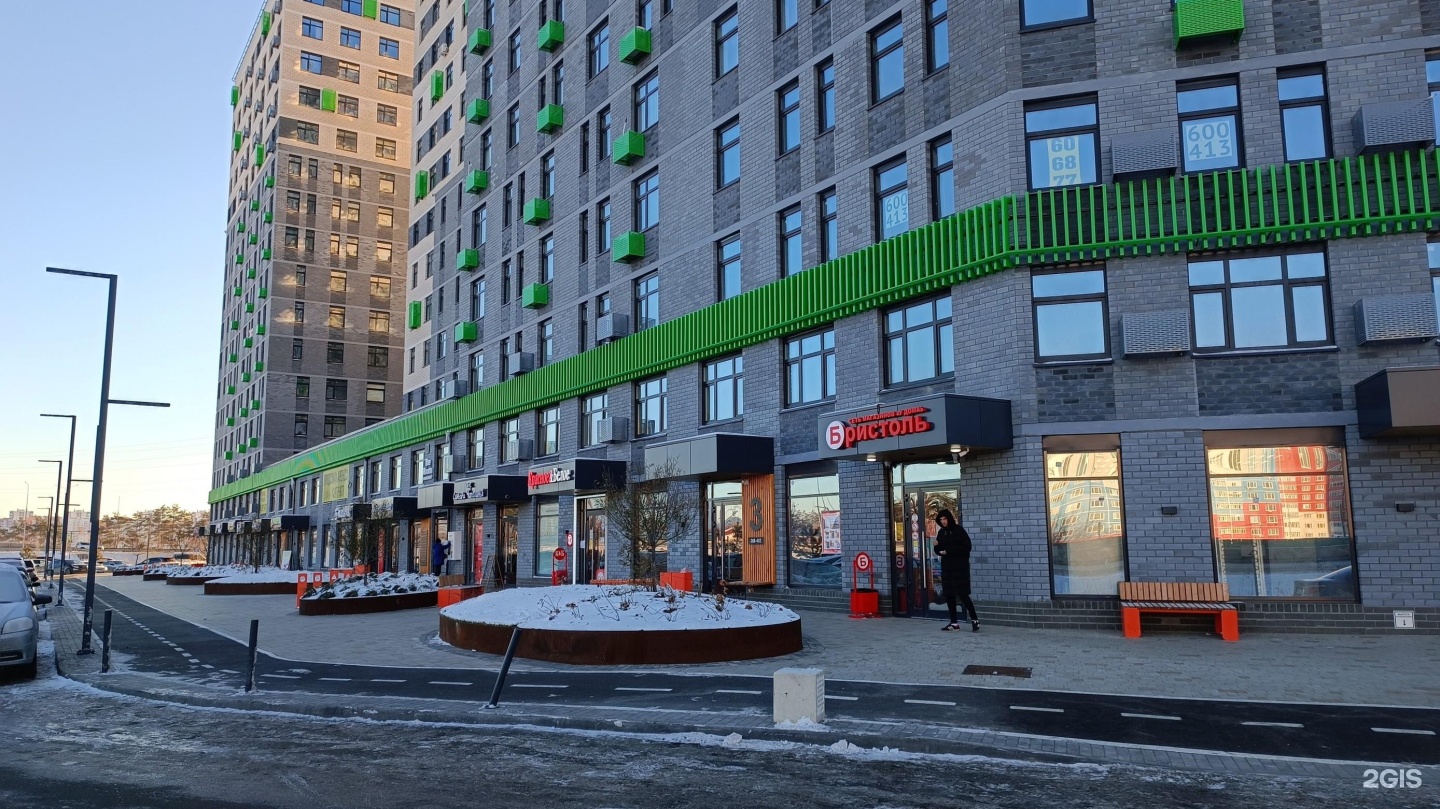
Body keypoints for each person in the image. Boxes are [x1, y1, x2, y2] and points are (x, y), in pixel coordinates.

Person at [933, 509, 979, 632]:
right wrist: (937, 547)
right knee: (949, 595)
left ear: (949, 518)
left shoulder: (959, 530)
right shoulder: (941, 532)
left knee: (963, 594)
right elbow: (939, 550)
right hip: (947, 568)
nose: (943, 521)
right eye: (941, 520)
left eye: (945, 519)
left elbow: (967, 547)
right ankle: (954, 623)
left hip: (960, 568)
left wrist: (949, 551)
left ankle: (975, 620)